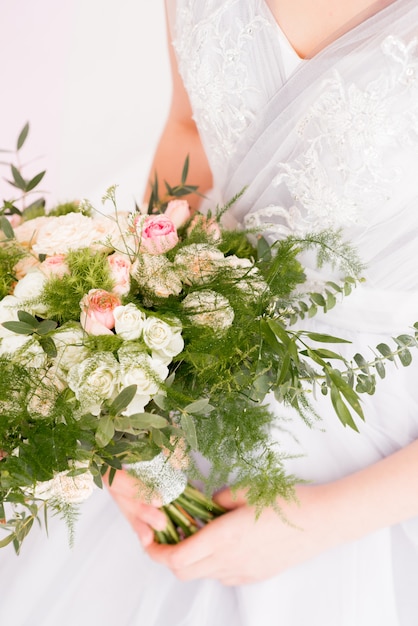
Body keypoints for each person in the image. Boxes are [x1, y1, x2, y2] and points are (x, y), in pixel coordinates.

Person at [1, 1, 417, 625]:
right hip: (199, 370)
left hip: (376, 441)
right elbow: (188, 131)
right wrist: (125, 401)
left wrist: (318, 522)